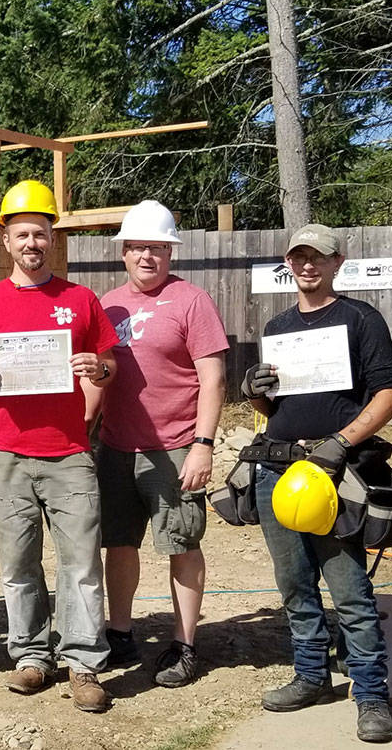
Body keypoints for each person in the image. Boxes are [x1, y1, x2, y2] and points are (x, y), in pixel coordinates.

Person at [0, 181, 120, 713]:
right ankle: (30, 656)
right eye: (22, 234)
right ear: (6, 240)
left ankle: (83, 663)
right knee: (18, 563)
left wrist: (99, 368)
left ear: (52, 239)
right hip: (5, 454)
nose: (32, 243)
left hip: (69, 453)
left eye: (41, 234)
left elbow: (110, 363)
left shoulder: (80, 300)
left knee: (81, 563)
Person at [240, 223, 392, 743]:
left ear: (337, 263)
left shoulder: (360, 319)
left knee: (349, 587)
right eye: (299, 257)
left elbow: (389, 395)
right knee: (294, 584)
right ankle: (311, 676)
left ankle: (371, 694)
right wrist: (254, 390)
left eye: (319, 256)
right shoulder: (279, 326)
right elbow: (274, 406)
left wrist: (341, 443)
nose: (308, 265)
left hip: (335, 471)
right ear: (289, 263)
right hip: (279, 469)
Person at [86, 200, 227, 686]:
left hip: (174, 447)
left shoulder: (192, 301)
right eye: (138, 247)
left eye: (158, 248)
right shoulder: (107, 305)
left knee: (181, 543)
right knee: (118, 544)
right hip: (116, 446)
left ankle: (184, 644)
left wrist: (203, 444)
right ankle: (120, 632)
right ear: (123, 251)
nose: (147, 256)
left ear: (170, 252)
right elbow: (96, 376)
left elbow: (213, 379)